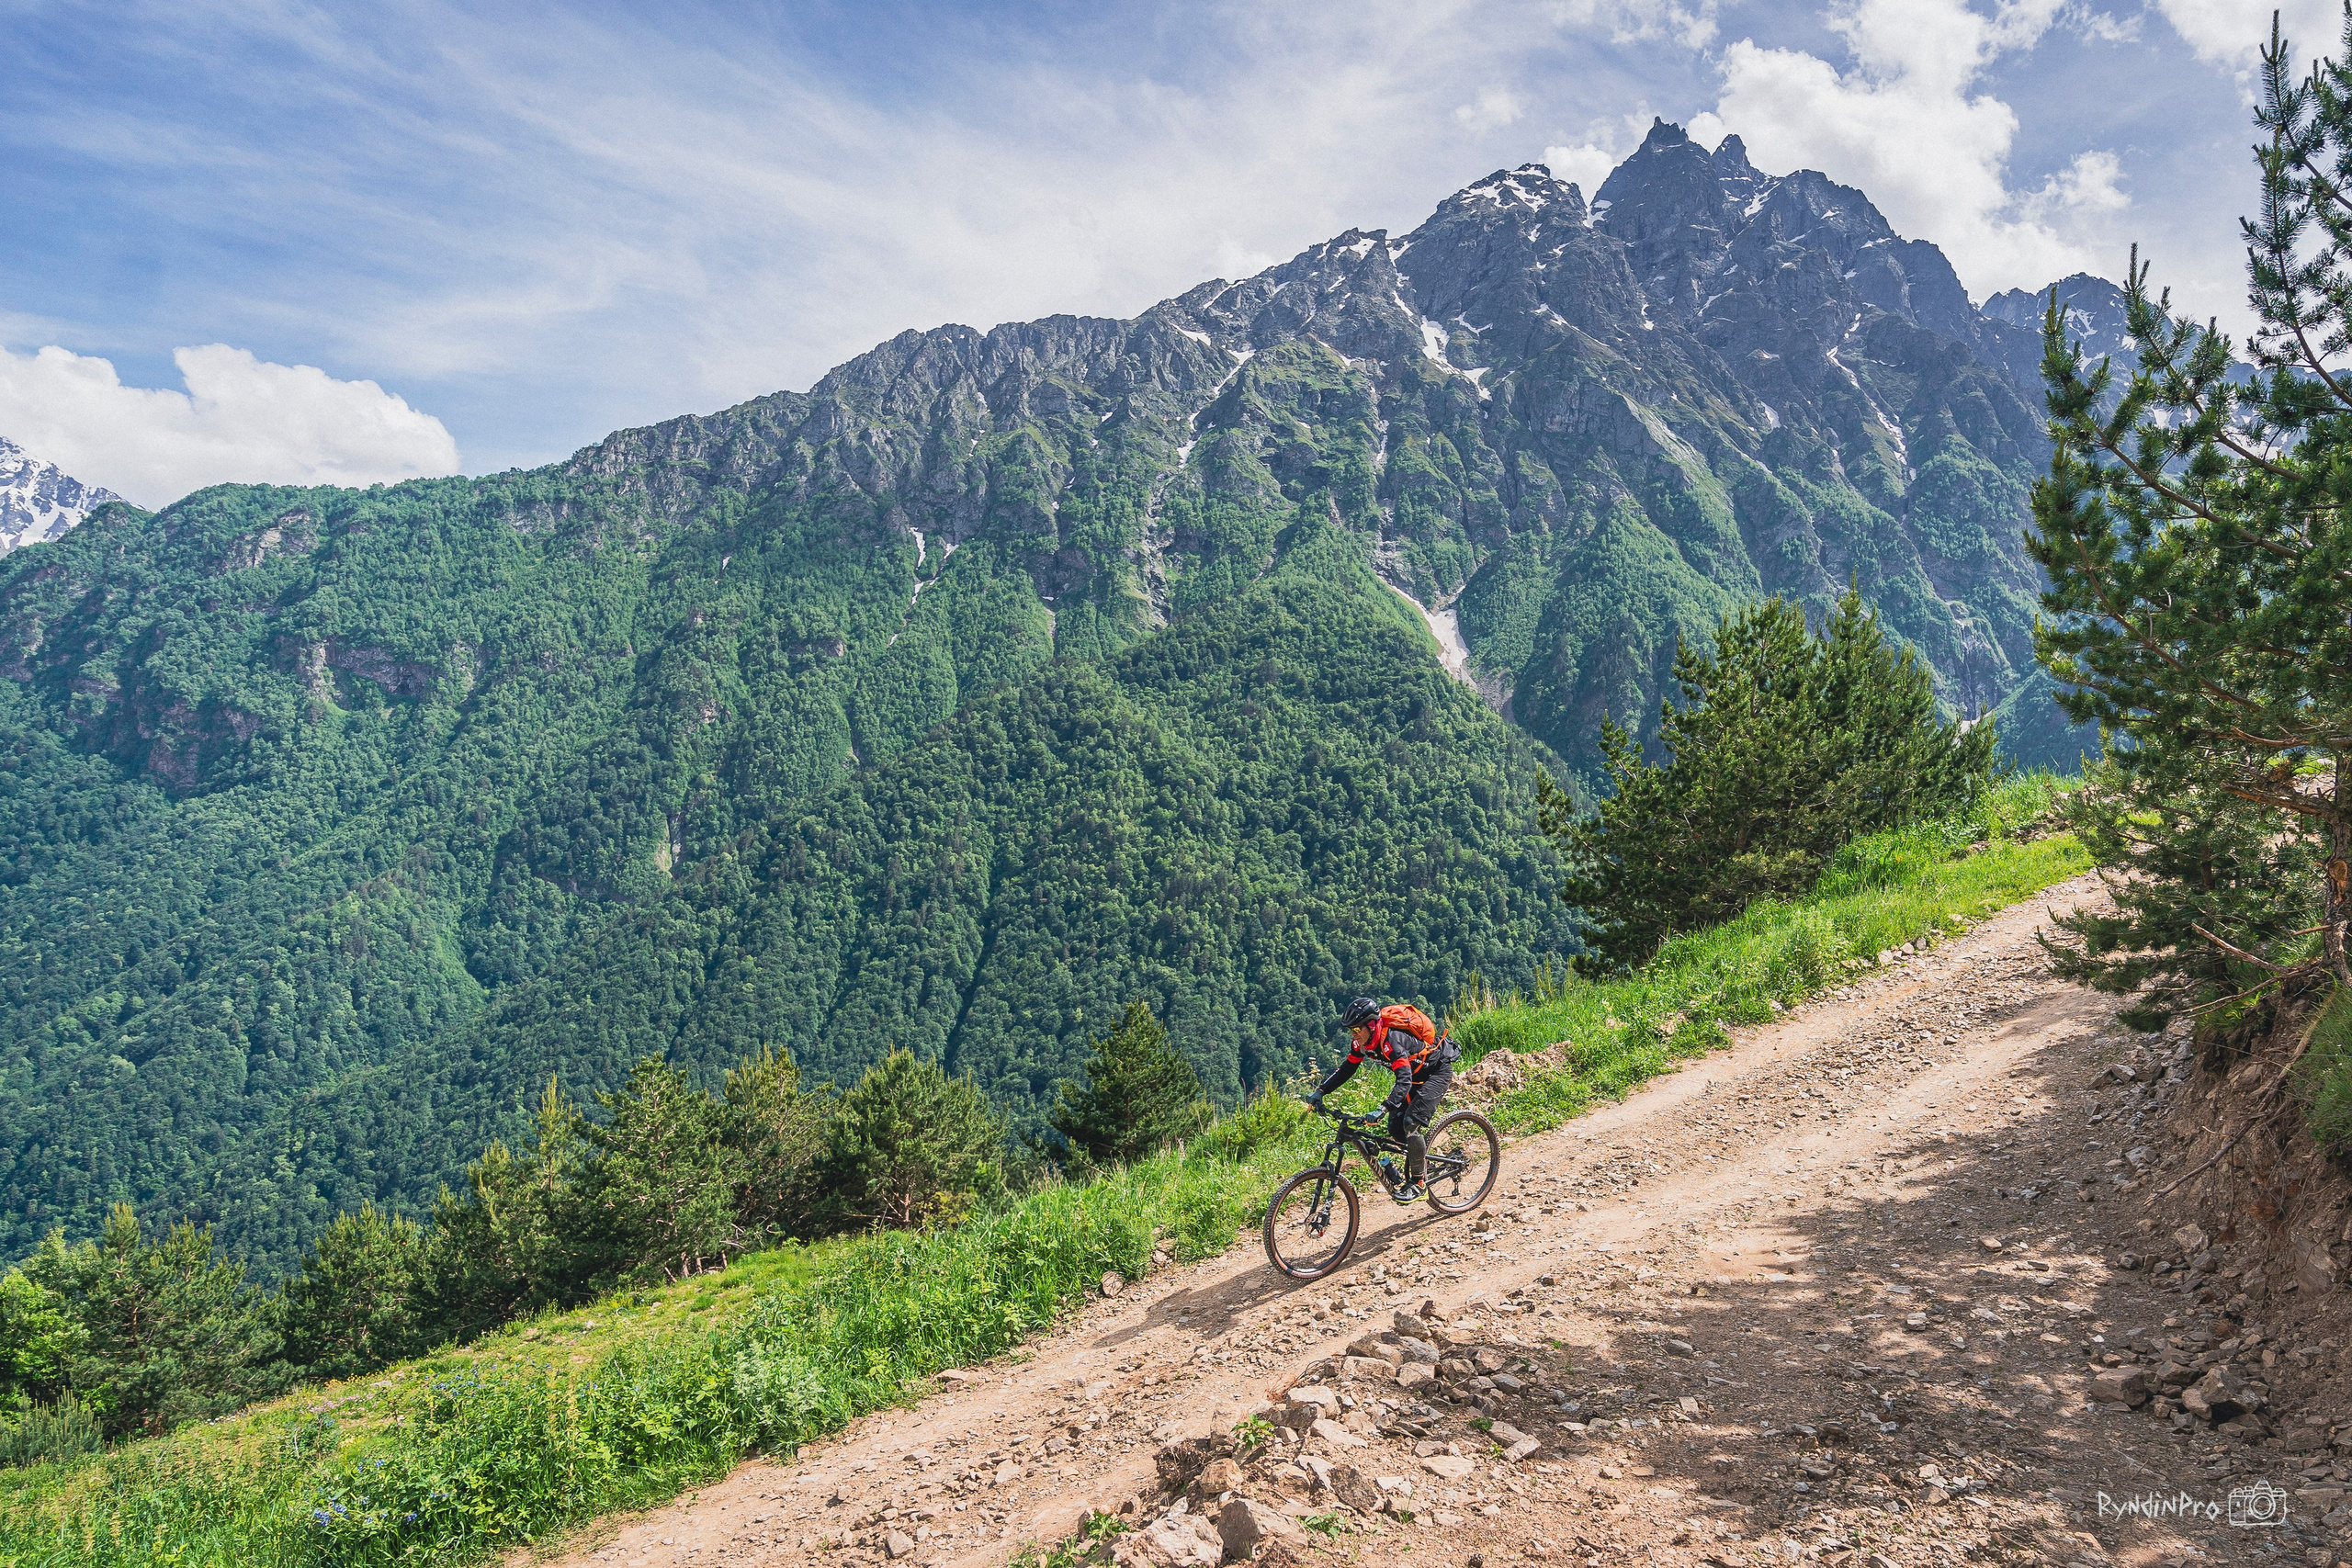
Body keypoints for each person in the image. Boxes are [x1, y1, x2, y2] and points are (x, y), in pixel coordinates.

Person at [1307, 995, 1456, 1201]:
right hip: (1414, 1077)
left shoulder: (1392, 1042)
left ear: (1371, 1025)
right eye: (1351, 1030)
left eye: (1357, 1029)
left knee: (1411, 1122)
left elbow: (1403, 1081)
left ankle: (1420, 1183)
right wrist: (1321, 1091)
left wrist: (1383, 1107)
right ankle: (1423, 1164)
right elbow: (1348, 1068)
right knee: (1395, 1128)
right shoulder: (1363, 1042)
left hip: (1436, 1073)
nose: (1353, 1034)